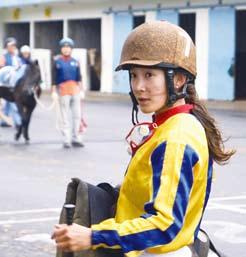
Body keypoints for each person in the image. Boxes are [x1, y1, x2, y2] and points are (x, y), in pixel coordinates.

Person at [52, 21, 235, 257]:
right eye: (134, 75)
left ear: (178, 79)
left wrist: (92, 236)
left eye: (149, 75)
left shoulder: (176, 137)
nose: (139, 86)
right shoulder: (175, 122)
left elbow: (164, 225)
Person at [52, 37, 84, 149]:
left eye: (68, 47)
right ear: (61, 49)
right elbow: (53, 77)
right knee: (64, 116)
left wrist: (81, 91)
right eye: (64, 47)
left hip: (75, 90)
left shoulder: (75, 62)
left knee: (77, 115)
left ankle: (76, 138)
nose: (66, 49)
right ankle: (66, 139)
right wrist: (53, 91)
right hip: (63, 90)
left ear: (71, 49)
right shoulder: (57, 62)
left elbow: (79, 77)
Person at [0, 37, 21, 128]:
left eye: (14, 46)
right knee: (13, 102)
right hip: (8, 83)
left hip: (16, 82)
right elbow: (1, 70)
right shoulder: (4, 57)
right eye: (11, 46)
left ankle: (4, 120)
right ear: (7, 47)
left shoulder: (16, 57)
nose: (13, 47)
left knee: (9, 102)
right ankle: (18, 122)